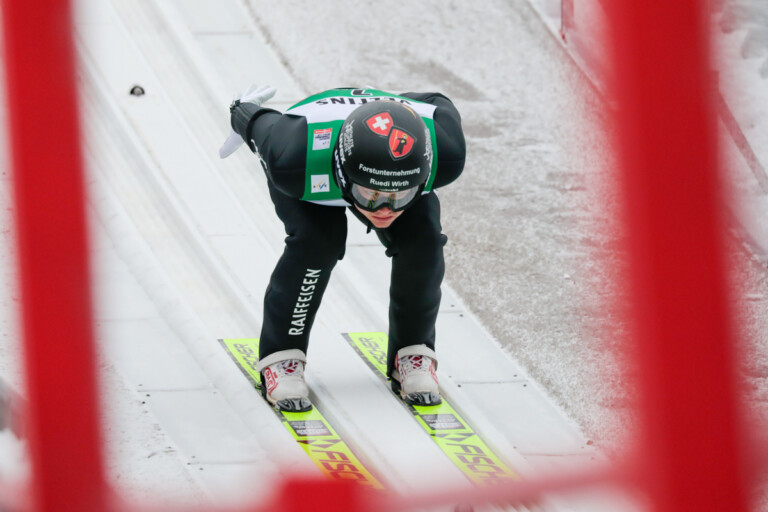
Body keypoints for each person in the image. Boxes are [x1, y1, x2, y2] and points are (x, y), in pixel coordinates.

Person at [220, 86, 465, 411]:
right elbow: (254, 121)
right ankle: (282, 356)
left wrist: (399, 102)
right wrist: (243, 109)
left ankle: (414, 350)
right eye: (369, 195)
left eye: (401, 196)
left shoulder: (445, 153)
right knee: (317, 241)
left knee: (423, 240)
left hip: (382, 141)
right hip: (314, 164)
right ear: (343, 174)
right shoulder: (292, 156)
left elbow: (436, 101)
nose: (384, 209)